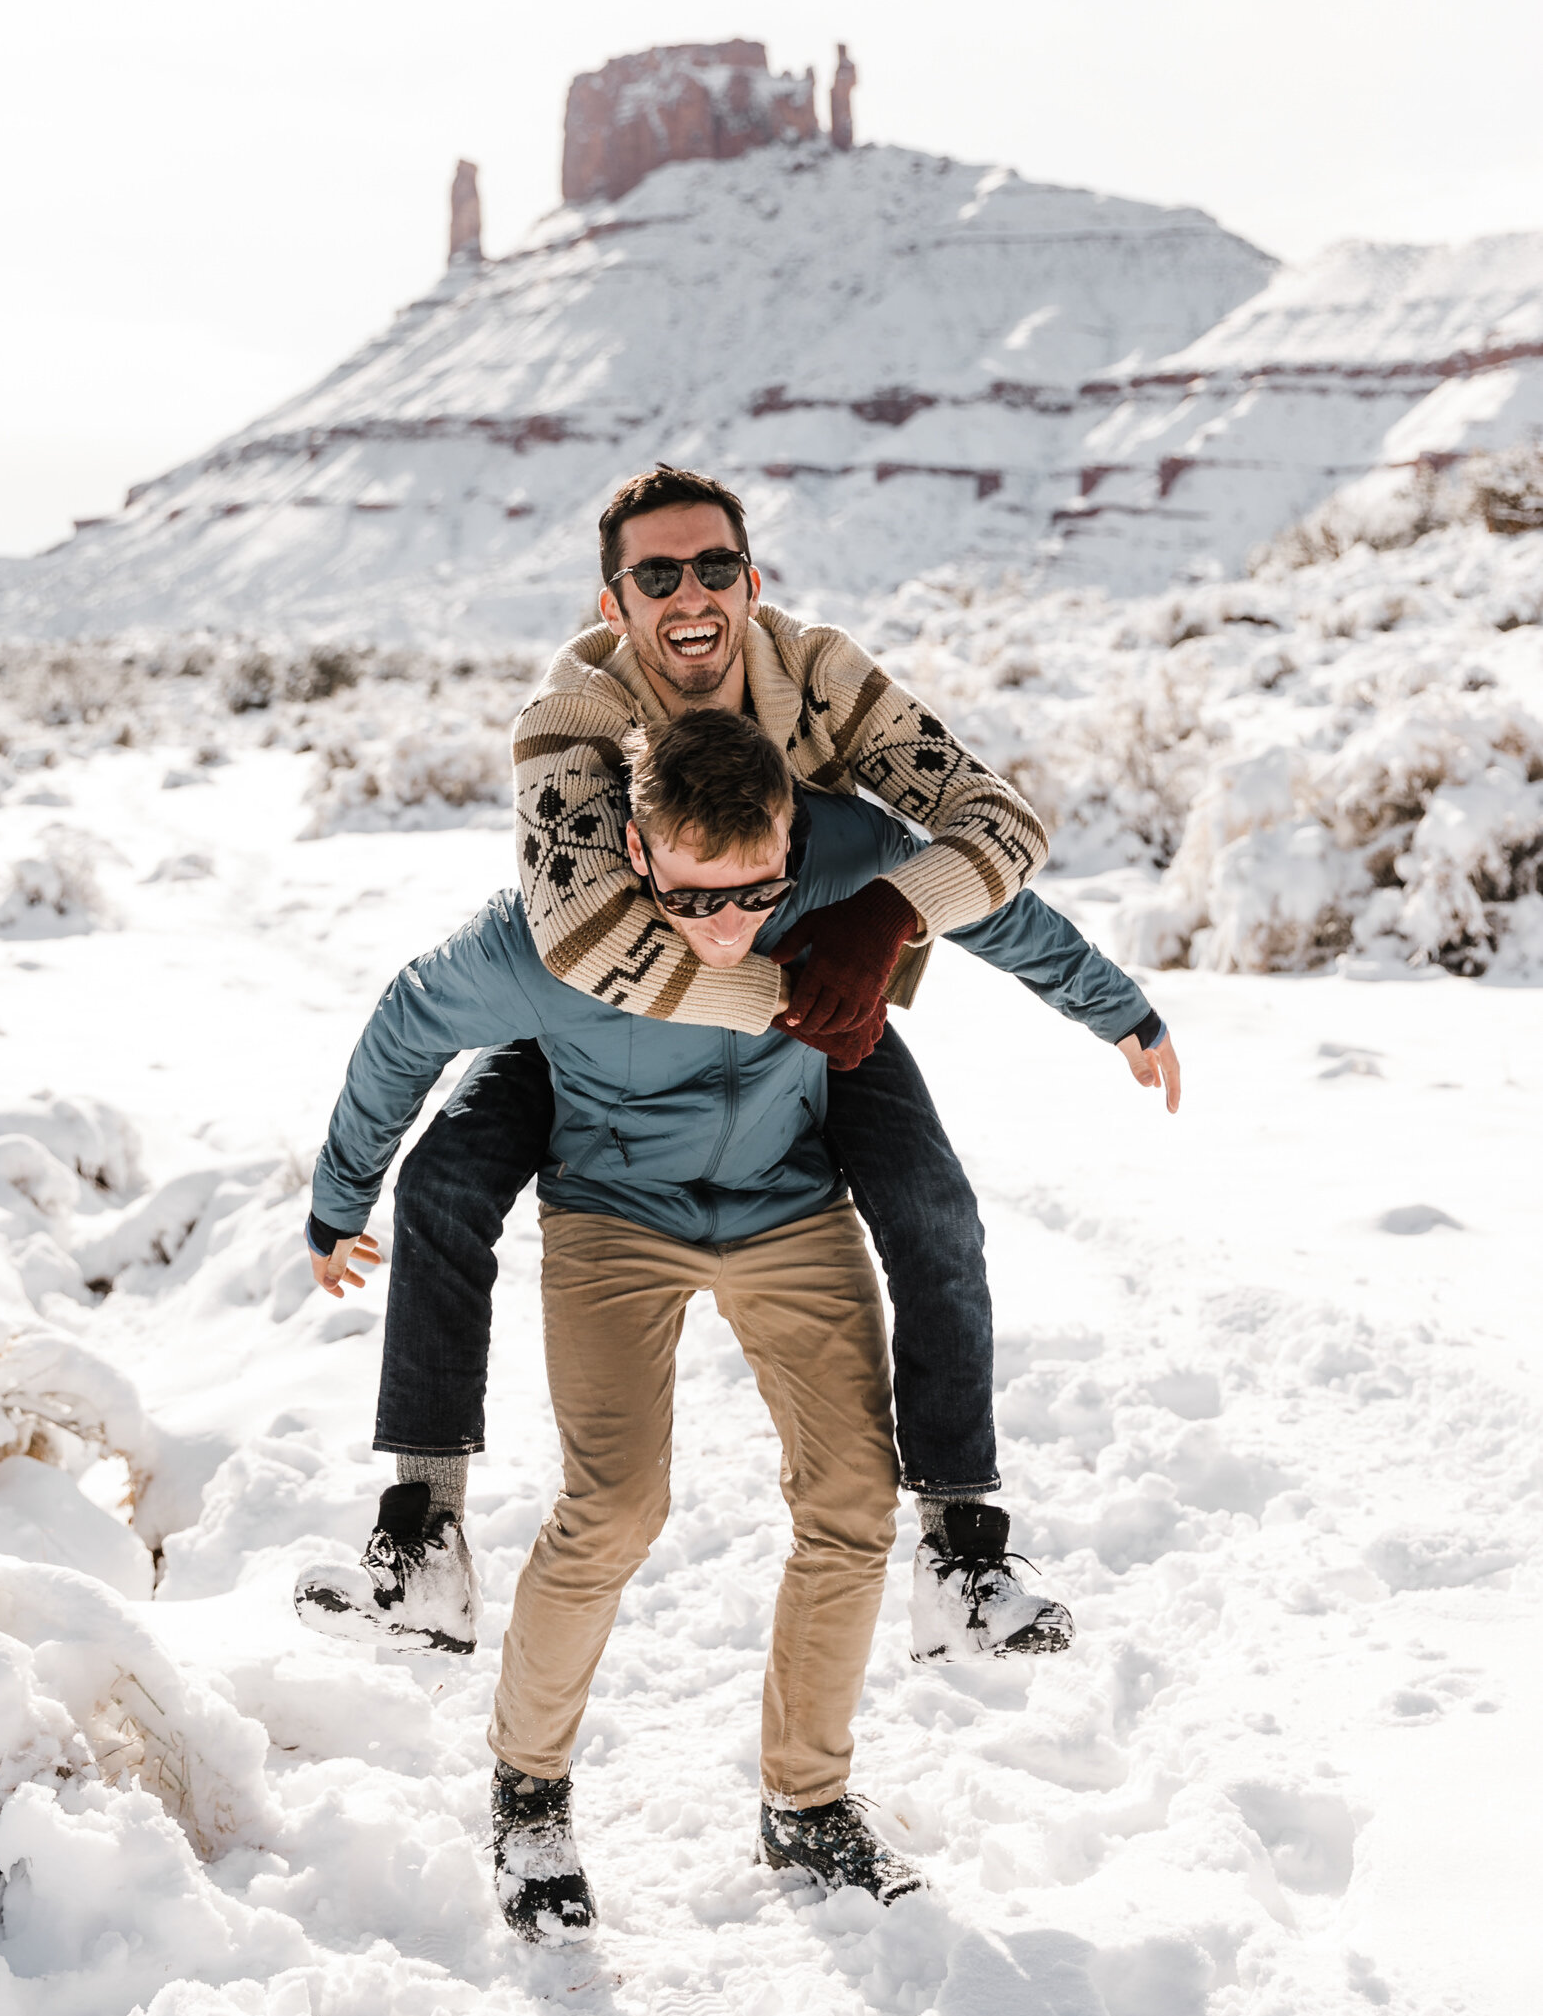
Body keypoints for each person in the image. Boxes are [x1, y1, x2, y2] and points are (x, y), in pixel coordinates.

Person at [298, 713, 1178, 1936]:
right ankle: (529, 1793)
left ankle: (806, 1804)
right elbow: (406, 1022)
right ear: (633, 850)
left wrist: (1120, 1009)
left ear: (792, 840)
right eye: (693, 899)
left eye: (755, 892)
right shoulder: (549, 935)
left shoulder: (846, 863)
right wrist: (338, 1198)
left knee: (852, 1507)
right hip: (613, 1214)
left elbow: (993, 911)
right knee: (611, 1509)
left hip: (787, 1206)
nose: (727, 931)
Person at [302, 464, 1179, 1666]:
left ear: (751, 580)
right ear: (611, 602)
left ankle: (963, 1552)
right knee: (446, 1179)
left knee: (933, 1206)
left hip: (827, 953)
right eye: (654, 575)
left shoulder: (821, 690)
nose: (690, 593)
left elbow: (994, 848)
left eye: (714, 565)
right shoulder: (569, 727)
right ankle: (420, 1532)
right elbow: (556, 946)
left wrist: (899, 926)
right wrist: (792, 996)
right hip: (636, 995)